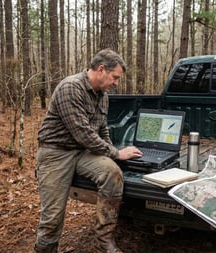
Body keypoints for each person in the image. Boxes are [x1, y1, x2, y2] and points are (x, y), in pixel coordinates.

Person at [34, 49, 142, 253]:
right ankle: (46, 249)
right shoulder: (71, 88)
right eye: (115, 77)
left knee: (112, 173)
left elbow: (102, 130)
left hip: (82, 152)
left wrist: (113, 156)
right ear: (101, 69)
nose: (116, 83)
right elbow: (83, 133)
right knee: (53, 215)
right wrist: (117, 153)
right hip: (55, 152)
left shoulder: (103, 96)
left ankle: (104, 243)